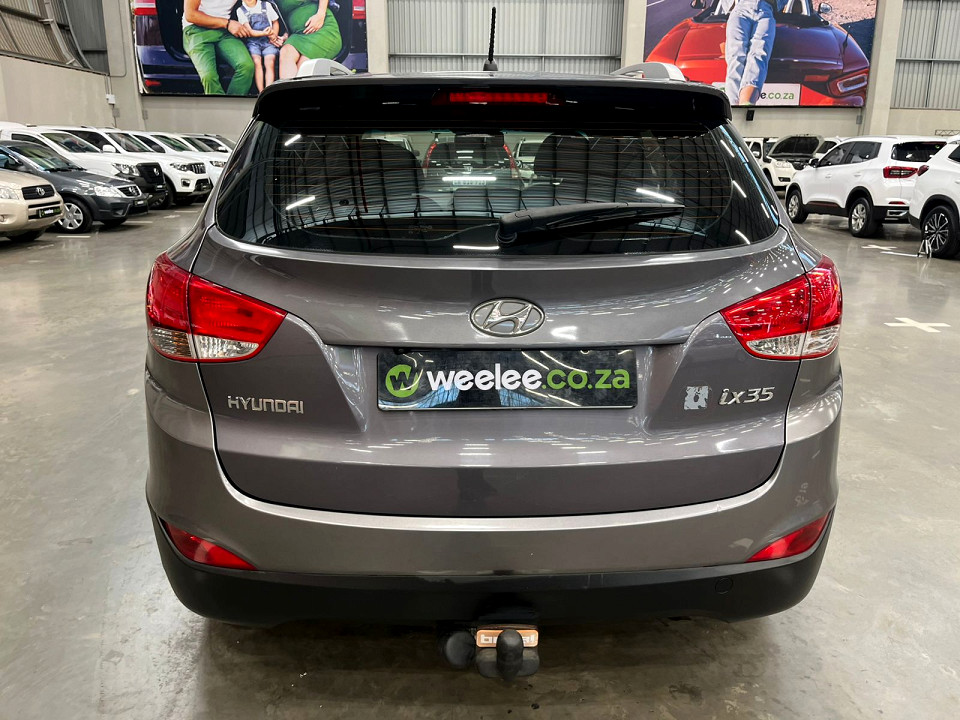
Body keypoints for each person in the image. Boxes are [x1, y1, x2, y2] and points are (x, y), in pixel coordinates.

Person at [182, 0, 256, 95]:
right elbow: (191, 15)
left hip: (223, 30)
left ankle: (232, 103)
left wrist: (272, 30)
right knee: (209, 76)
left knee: (247, 66)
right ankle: (219, 104)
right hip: (196, 30)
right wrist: (227, 23)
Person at [721, 0, 785, 106]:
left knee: (758, 56)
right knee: (736, 56)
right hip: (740, 9)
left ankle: (745, 105)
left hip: (766, 11)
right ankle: (733, 108)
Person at [275, 0, 343, 79]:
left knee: (303, 68)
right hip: (298, 35)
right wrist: (285, 35)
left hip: (322, 29)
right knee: (286, 51)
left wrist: (321, 14)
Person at [236, 0, 282, 91]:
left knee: (269, 62)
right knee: (257, 62)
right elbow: (249, 31)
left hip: (268, 41)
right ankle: (261, 91)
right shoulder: (241, 10)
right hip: (253, 42)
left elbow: (275, 22)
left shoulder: (266, 5)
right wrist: (264, 33)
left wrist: (274, 35)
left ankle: (268, 89)